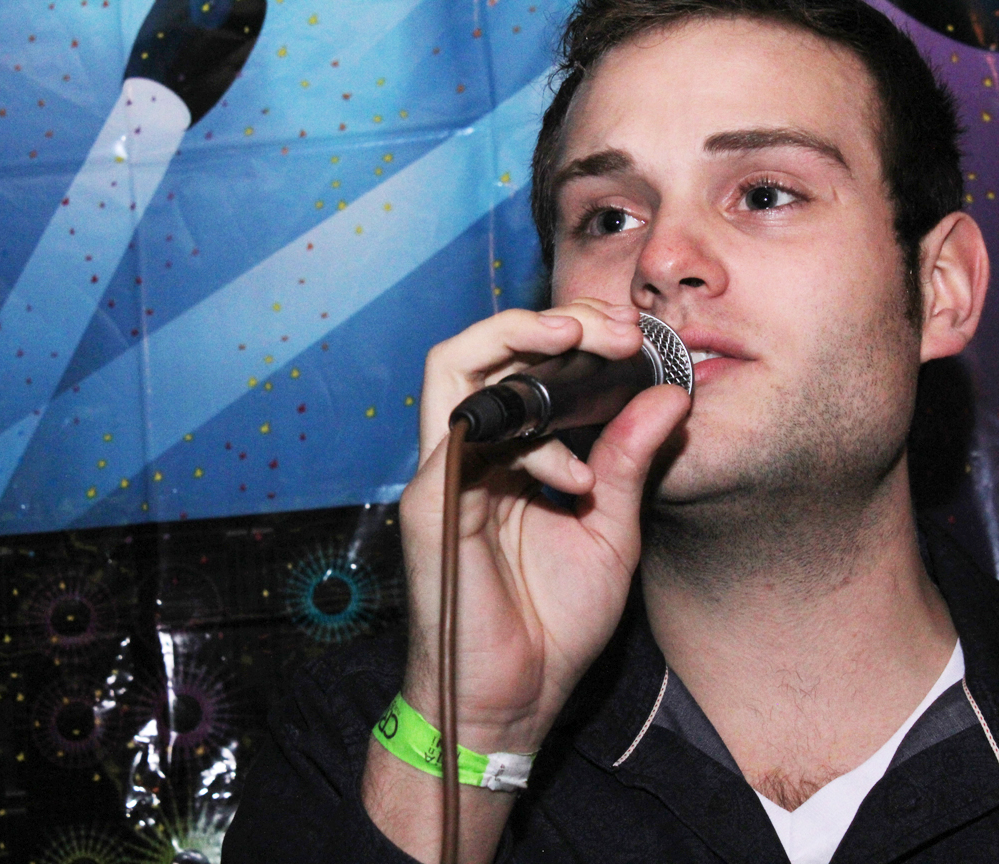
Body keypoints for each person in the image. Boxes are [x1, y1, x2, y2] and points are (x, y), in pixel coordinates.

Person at [222, 0, 997, 861]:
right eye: (609, 219)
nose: (661, 260)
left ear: (940, 289)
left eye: (764, 194)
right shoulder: (367, 747)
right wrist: (474, 737)